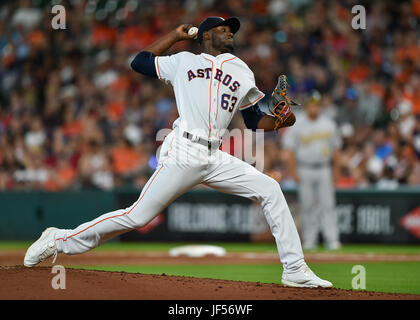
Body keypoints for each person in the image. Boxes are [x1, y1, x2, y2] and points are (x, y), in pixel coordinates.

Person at [24, 17, 332, 288]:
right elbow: (140, 62)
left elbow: (253, 121)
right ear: (205, 35)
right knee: (137, 216)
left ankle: (294, 269)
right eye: (223, 30)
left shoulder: (242, 71)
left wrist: (279, 122)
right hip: (185, 149)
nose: (230, 34)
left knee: (271, 188)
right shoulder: (183, 60)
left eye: (231, 31)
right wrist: (174, 35)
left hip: (215, 156)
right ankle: (58, 239)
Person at [283, 90, 342, 250]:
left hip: (324, 168)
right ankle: (310, 239)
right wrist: (293, 171)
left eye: (316, 105)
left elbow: (336, 150)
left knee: (327, 204)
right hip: (304, 168)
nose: (313, 108)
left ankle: (332, 238)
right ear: (307, 106)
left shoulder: (329, 124)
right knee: (307, 205)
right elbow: (289, 150)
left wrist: (336, 170)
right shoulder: (297, 123)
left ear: (320, 106)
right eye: (311, 105)